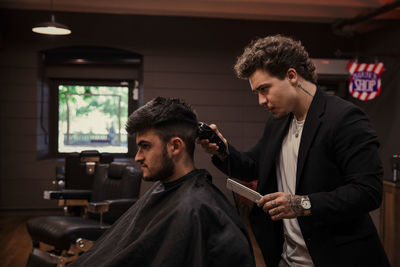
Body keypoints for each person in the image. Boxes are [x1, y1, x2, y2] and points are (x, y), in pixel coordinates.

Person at [198, 35, 389, 267]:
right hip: (288, 259)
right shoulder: (278, 122)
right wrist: (223, 150)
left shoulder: (345, 119)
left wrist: (301, 204)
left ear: (291, 76)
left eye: (264, 89)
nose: (261, 101)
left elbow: (368, 192)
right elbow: (254, 166)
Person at [69, 97, 256, 267]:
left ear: (175, 146)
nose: (137, 157)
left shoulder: (200, 208)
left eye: (145, 147)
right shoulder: (168, 192)